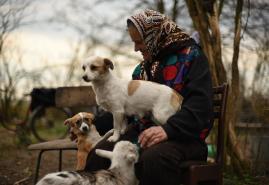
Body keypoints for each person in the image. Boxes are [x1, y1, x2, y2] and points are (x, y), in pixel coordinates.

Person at [85, 9, 213, 185]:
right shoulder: (142, 69)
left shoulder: (192, 57)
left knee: (153, 158)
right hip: (143, 134)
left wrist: (167, 130)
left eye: (139, 42)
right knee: (98, 153)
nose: (135, 48)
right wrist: (91, 123)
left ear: (155, 35)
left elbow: (201, 106)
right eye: (133, 42)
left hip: (184, 138)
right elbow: (125, 108)